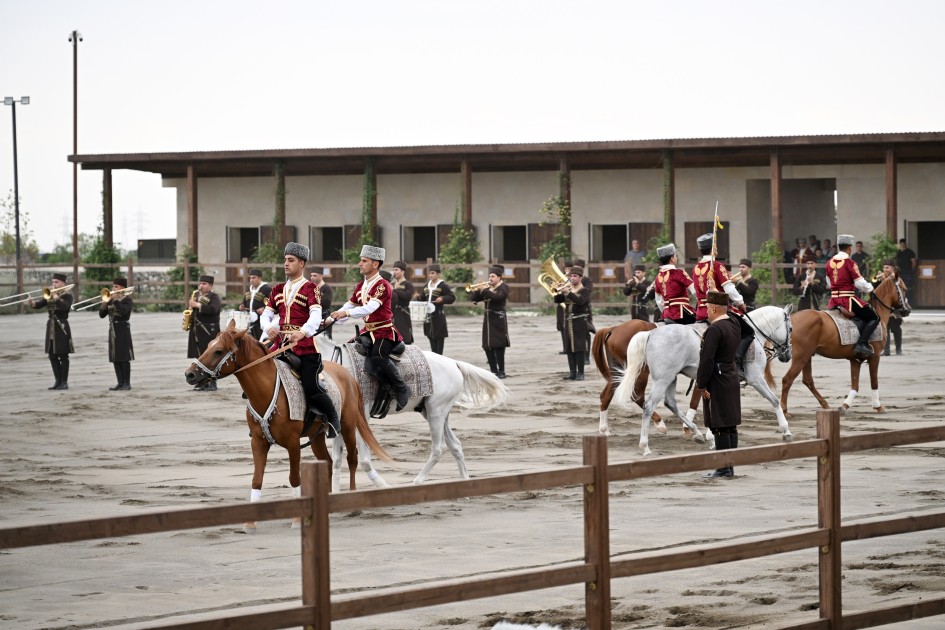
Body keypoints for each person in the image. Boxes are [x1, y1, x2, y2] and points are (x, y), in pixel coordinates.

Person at [261, 242, 340, 436]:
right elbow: (266, 315)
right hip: (280, 345)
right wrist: (268, 327)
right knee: (260, 375)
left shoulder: (310, 288)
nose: (286, 264)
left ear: (302, 263)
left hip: (305, 347)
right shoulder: (277, 289)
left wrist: (303, 332)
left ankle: (333, 419)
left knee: (311, 386)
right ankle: (261, 419)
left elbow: (316, 315)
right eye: (285, 260)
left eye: (291, 260)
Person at [328, 245, 410, 412]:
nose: (360, 264)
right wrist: (330, 320)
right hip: (369, 331)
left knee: (378, 356)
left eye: (364, 261)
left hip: (384, 331)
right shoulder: (361, 286)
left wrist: (345, 313)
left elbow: (369, 308)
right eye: (361, 260)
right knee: (360, 358)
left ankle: (401, 387)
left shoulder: (382, 285)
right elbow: (350, 305)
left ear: (375, 264)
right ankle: (382, 387)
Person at [691, 233, 751, 382]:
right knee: (748, 331)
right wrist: (740, 302)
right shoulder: (717, 266)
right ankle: (736, 364)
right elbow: (729, 289)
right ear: (714, 248)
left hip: (700, 312)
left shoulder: (696, 268)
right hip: (717, 313)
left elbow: (695, 292)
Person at [696, 291, 742, 479]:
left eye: (707, 308)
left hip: (717, 377)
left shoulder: (715, 329)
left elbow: (707, 359)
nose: (706, 312)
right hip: (731, 373)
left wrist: (701, 383)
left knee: (720, 423)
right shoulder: (734, 323)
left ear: (714, 308)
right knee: (730, 424)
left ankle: (723, 468)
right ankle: (729, 467)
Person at [826, 234, 877, 359]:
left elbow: (829, 282)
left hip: (833, 300)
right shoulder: (850, 263)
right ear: (849, 248)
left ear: (839, 247)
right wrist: (870, 288)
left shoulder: (829, 262)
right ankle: (862, 344)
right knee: (874, 317)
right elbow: (859, 283)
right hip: (847, 300)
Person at [29, 273, 74, 390]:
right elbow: (39, 305)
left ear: (63, 283)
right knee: (52, 355)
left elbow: (64, 307)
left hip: (62, 325)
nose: (54, 284)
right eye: (53, 282)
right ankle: (57, 381)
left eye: (56, 282)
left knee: (63, 355)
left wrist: (56, 297)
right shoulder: (49, 294)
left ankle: (64, 382)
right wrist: (32, 304)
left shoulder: (68, 295)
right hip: (51, 326)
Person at [469, 265, 510, 378]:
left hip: (498, 319)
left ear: (499, 277)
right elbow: (474, 299)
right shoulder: (488, 288)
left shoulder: (503, 287)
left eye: (493, 276)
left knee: (498, 345)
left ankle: (501, 371)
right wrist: (478, 290)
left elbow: (497, 298)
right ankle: (493, 370)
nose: (490, 278)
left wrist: (484, 290)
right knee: (487, 345)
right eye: (489, 276)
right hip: (488, 319)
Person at [554, 265, 592, 380]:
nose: (572, 278)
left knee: (579, 347)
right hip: (568, 321)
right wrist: (560, 291)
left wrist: (568, 292)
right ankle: (572, 373)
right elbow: (557, 300)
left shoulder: (584, 290)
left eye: (575, 276)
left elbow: (580, 301)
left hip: (580, 320)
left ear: (581, 277)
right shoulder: (569, 289)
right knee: (569, 347)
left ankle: (581, 373)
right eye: (571, 276)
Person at [187, 275, 222, 391]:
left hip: (209, 330)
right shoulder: (197, 295)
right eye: (200, 283)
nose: (201, 286)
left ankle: (212, 383)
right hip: (197, 330)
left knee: (210, 358)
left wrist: (198, 305)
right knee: (199, 357)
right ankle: (202, 383)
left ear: (210, 286)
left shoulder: (214, 297)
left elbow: (214, 309)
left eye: (204, 284)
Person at [99, 277, 134, 391]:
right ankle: (119, 382)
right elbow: (101, 315)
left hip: (123, 328)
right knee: (115, 356)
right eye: (113, 286)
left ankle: (126, 383)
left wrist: (115, 301)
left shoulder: (127, 299)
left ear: (123, 288)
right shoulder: (111, 299)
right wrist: (105, 304)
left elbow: (124, 312)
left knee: (124, 357)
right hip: (113, 328)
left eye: (116, 287)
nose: (113, 289)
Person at [653, 243, 696, 324]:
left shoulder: (657, 278)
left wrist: (666, 311)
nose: (676, 258)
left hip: (666, 315)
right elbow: (695, 290)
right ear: (672, 259)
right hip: (681, 314)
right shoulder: (679, 273)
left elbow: (659, 301)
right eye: (675, 256)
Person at [421, 263, 455, 355]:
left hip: (438, 316)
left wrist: (442, 299)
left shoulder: (443, 285)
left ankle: (439, 358)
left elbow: (452, 297)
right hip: (428, 316)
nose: (431, 275)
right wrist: (418, 298)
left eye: (433, 273)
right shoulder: (426, 286)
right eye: (430, 273)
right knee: (430, 336)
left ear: (438, 274)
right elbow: (423, 298)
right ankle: (434, 356)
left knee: (439, 338)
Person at [878, 260, 904, 356]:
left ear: (893, 268)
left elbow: (898, 292)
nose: (885, 269)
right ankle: (887, 350)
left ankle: (898, 349)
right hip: (885, 307)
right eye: (884, 267)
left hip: (895, 307)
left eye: (887, 267)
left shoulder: (896, 277)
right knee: (886, 328)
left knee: (896, 328)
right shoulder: (883, 278)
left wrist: (887, 278)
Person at [572, 257, 594, 364]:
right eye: (574, 268)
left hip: (584, 309)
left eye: (578, 268)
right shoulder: (570, 280)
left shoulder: (587, 281)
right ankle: (575, 355)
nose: (575, 270)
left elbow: (587, 293)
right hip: (573, 310)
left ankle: (586, 356)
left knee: (585, 333)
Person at [239, 269, 271, 341]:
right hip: (250, 320)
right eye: (250, 278)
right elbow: (244, 302)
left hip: (262, 320)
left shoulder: (266, 288)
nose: (251, 280)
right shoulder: (249, 289)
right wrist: (242, 306)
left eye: (253, 277)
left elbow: (272, 304)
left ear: (259, 278)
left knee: (261, 341)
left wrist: (264, 309)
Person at [390, 260, 415, 345]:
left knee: (404, 338)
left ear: (403, 271)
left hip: (403, 313)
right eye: (393, 270)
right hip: (393, 313)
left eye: (396, 270)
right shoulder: (392, 284)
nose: (394, 272)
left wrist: (394, 290)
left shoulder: (408, 284)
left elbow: (407, 296)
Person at [309, 267, 333, 339]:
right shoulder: (309, 287)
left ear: (321, 276)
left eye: (315, 275)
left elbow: (326, 303)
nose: (312, 278)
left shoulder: (326, 288)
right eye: (311, 275)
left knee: (326, 339)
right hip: (311, 316)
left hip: (324, 316)